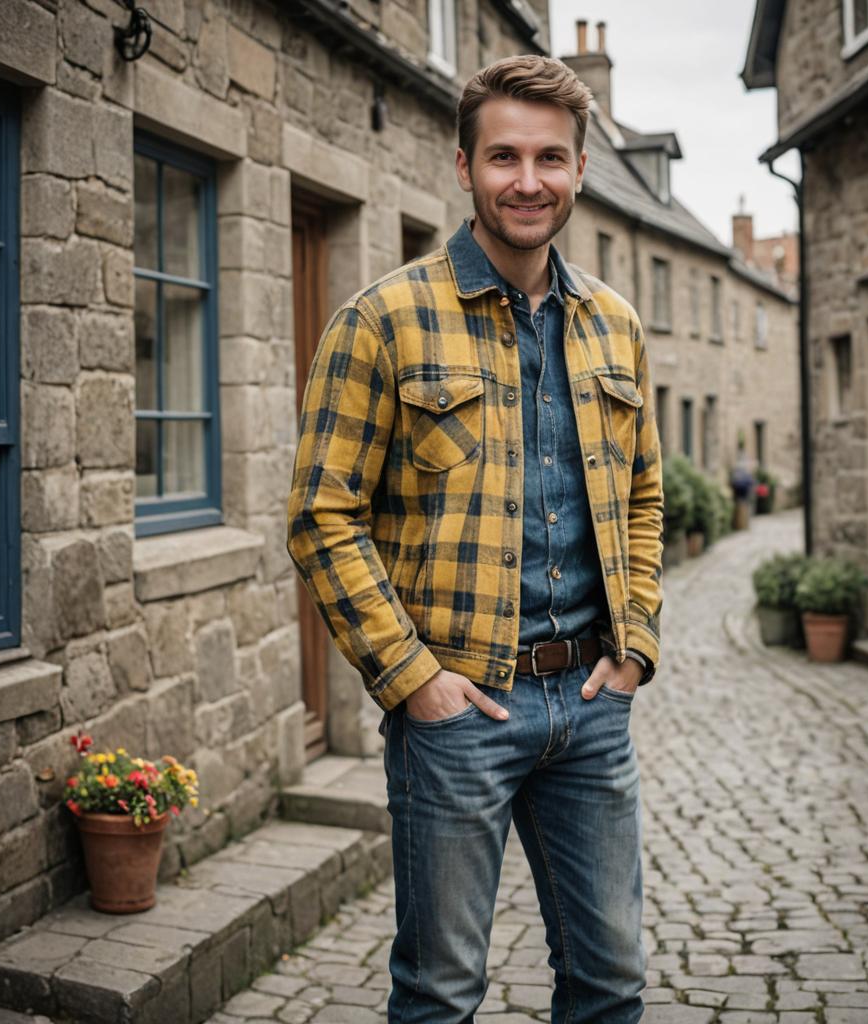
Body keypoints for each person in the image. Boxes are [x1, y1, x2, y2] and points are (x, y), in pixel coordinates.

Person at [287, 54, 663, 1024]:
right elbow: (322, 515)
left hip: (591, 707)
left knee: (611, 981)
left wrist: (637, 649)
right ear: (463, 166)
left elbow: (644, 497)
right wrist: (414, 679)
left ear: (581, 169)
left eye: (549, 158)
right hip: (459, 716)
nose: (526, 180)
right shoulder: (382, 321)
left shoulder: (614, 329)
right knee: (441, 991)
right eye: (503, 156)